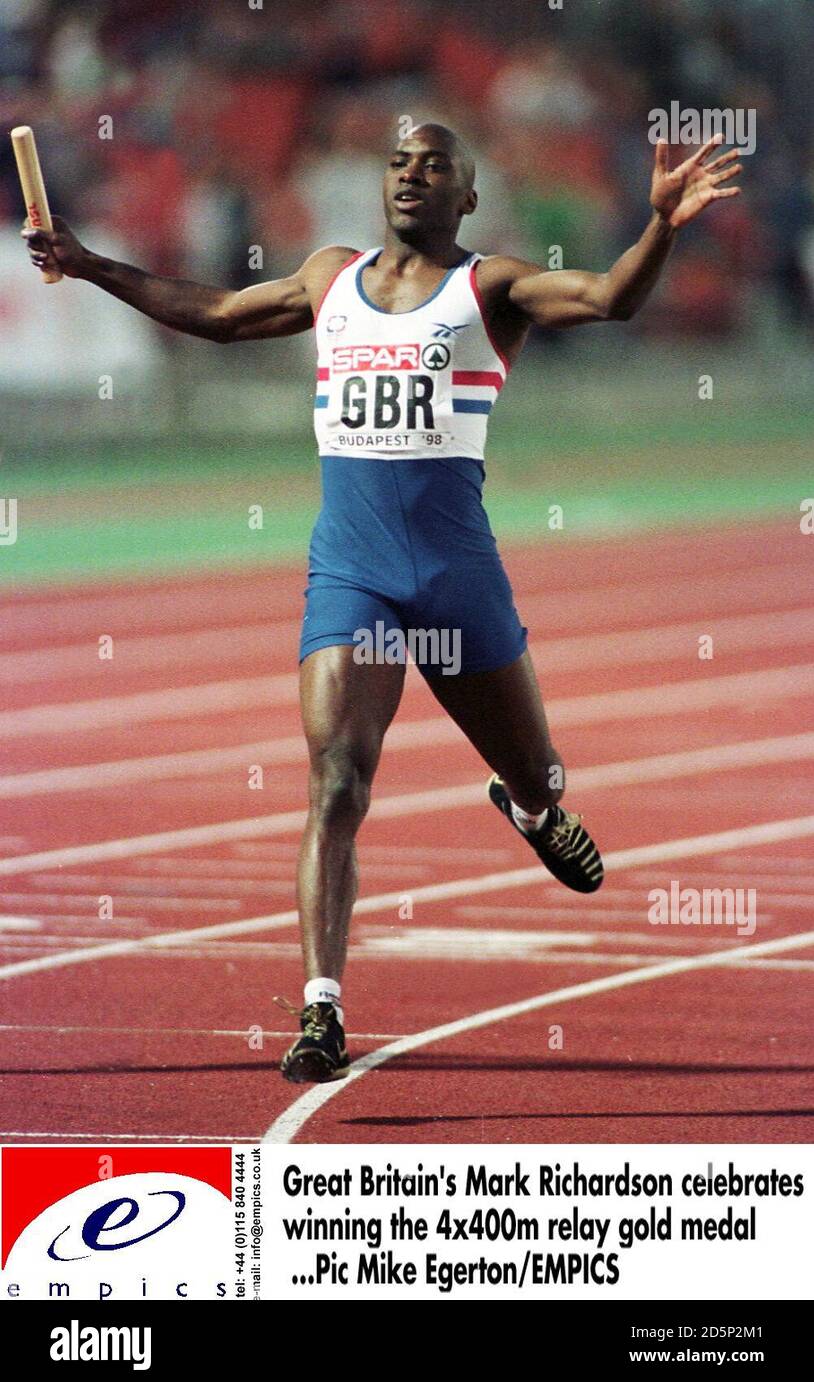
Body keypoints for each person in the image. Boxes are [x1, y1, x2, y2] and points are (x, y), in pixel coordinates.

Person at [24, 122, 742, 1085]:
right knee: (337, 783)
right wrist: (91, 261)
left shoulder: (490, 288)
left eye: (434, 165)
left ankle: (530, 810)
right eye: (400, 163)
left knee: (540, 776)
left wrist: (658, 226)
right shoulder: (329, 277)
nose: (411, 174)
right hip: (352, 575)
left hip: (458, 578)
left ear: (467, 198)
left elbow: (611, 298)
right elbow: (223, 312)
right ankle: (322, 1010)